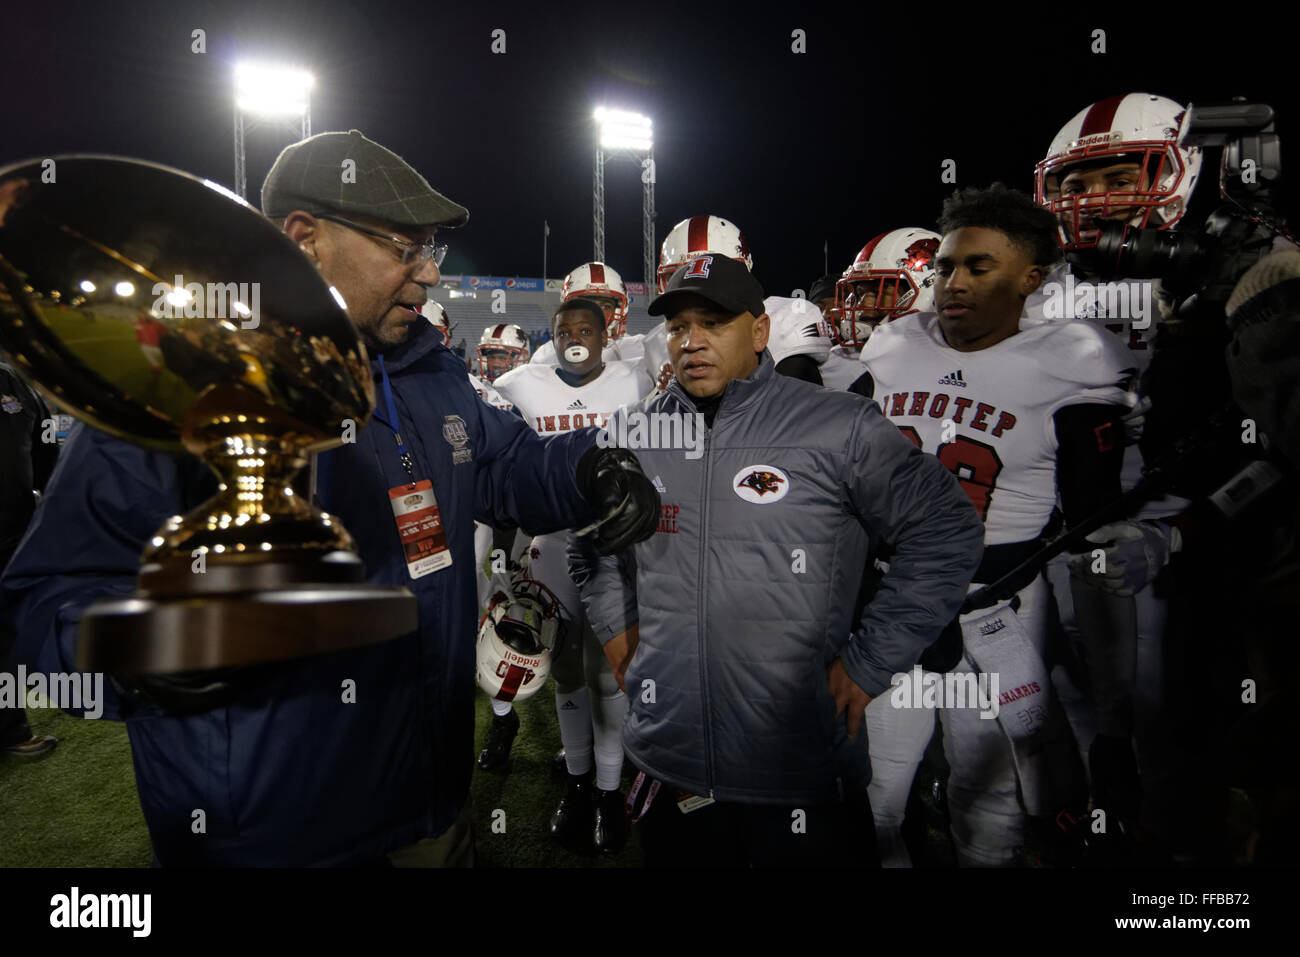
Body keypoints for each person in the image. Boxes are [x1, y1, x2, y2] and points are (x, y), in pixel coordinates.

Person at [0, 130, 658, 866]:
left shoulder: (428, 367)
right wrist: (146, 650)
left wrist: (588, 468)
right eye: (405, 248)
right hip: (273, 837)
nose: (431, 274)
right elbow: (42, 600)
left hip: (429, 807)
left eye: (430, 247)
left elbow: (506, 466)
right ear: (305, 240)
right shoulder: (184, 377)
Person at [569, 253, 984, 867]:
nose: (693, 341)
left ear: (759, 331)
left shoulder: (837, 424)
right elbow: (590, 543)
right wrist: (617, 632)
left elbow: (946, 530)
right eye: (680, 327)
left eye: (713, 322)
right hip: (671, 754)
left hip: (799, 766)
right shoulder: (631, 433)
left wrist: (871, 662)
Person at [852, 183, 1136, 866]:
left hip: (997, 609)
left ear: (1030, 279)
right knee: (877, 796)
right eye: (946, 265)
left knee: (990, 812)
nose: (954, 282)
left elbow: (1098, 511)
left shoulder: (1072, 357)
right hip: (894, 601)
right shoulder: (894, 347)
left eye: (980, 267)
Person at [491, 298, 646, 852]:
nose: (575, 338)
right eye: (564, 330)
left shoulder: (640, 376)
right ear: (550, 336)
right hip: (551, 545)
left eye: (586, 329)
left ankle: (609, 789)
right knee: (563, 670)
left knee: (608, 670)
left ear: (607, 336)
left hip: (615, 547)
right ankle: (580, 782)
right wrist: (498, 559)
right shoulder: (520, 385)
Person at [655, 214, 833, 386]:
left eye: (711, 274)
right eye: (678, 276)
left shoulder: (784, 323)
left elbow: (801, 401)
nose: (692, 287)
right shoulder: (652, 344)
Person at [0, 360, 58, 758]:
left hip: (13, 529)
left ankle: (9, 730)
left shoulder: (8, 379)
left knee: (8, 635)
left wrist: (52, 496)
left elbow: (44, 441)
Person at [822, 228, 941, 390]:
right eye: (860, 292)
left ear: (930, 289)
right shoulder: (837, 361)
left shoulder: (951, 361)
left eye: (881, 292)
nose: (865, 307)